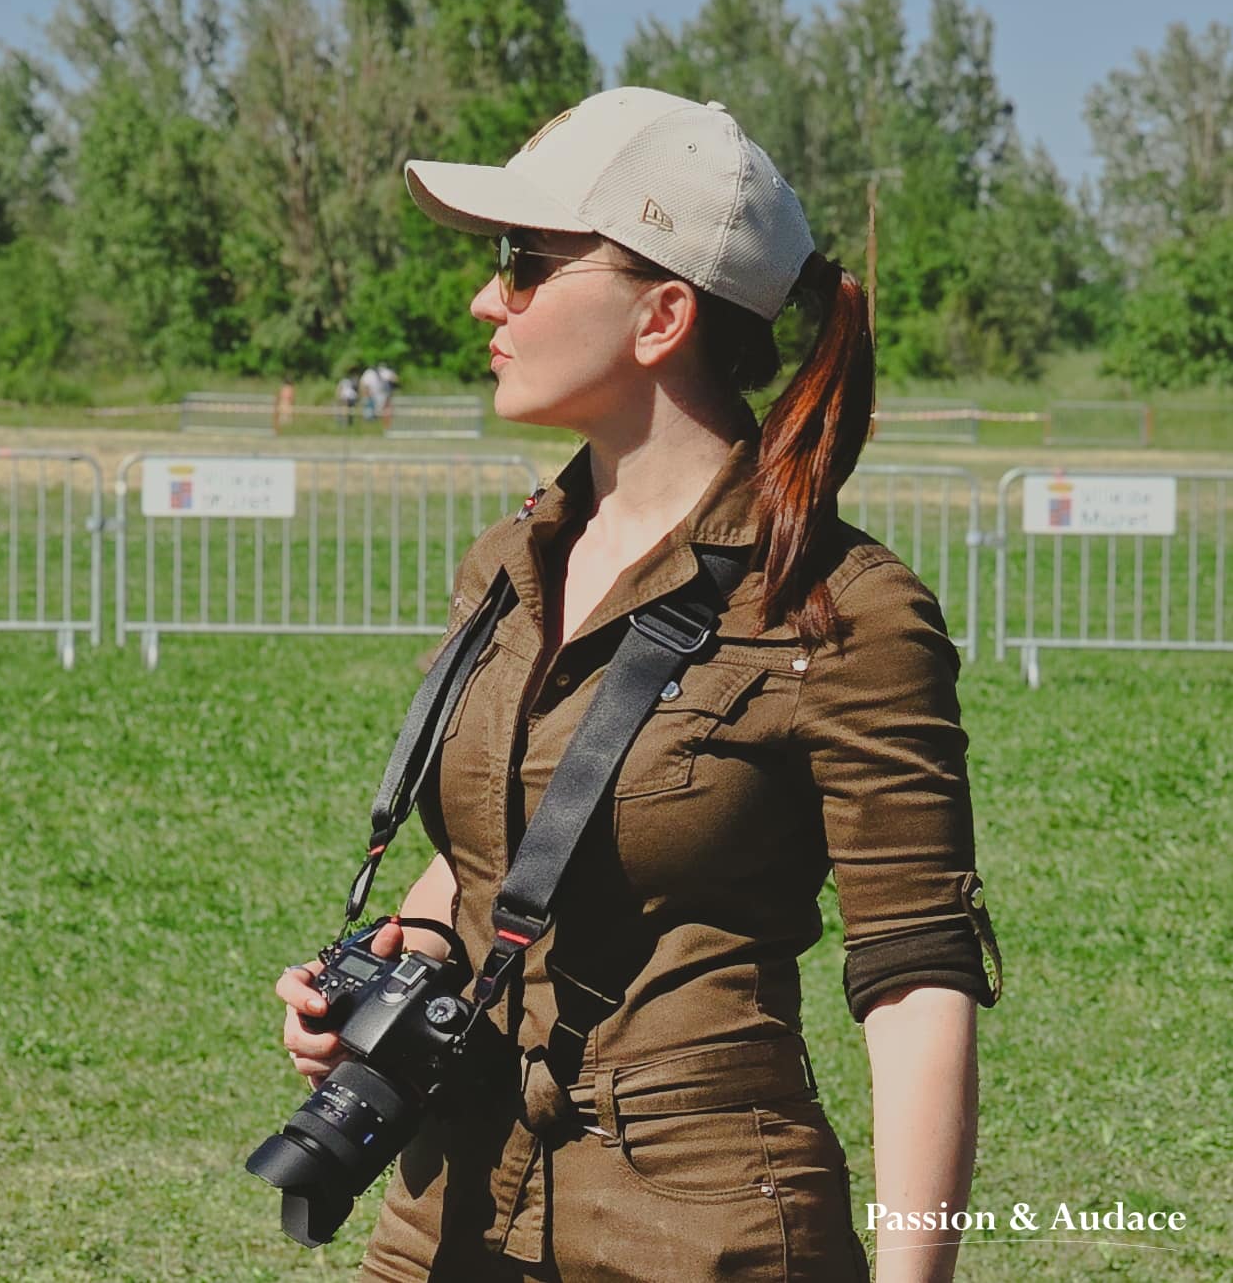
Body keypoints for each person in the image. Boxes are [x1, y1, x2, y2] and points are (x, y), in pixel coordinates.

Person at [275, 89, 1002, 1282]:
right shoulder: (510, 561)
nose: (484, 300)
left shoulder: (841, 609)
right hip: (446, 1212)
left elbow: (915, 981)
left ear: (662, 312)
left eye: (523, 265)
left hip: (703, 1225)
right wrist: (394, 958)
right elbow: (495, 846)